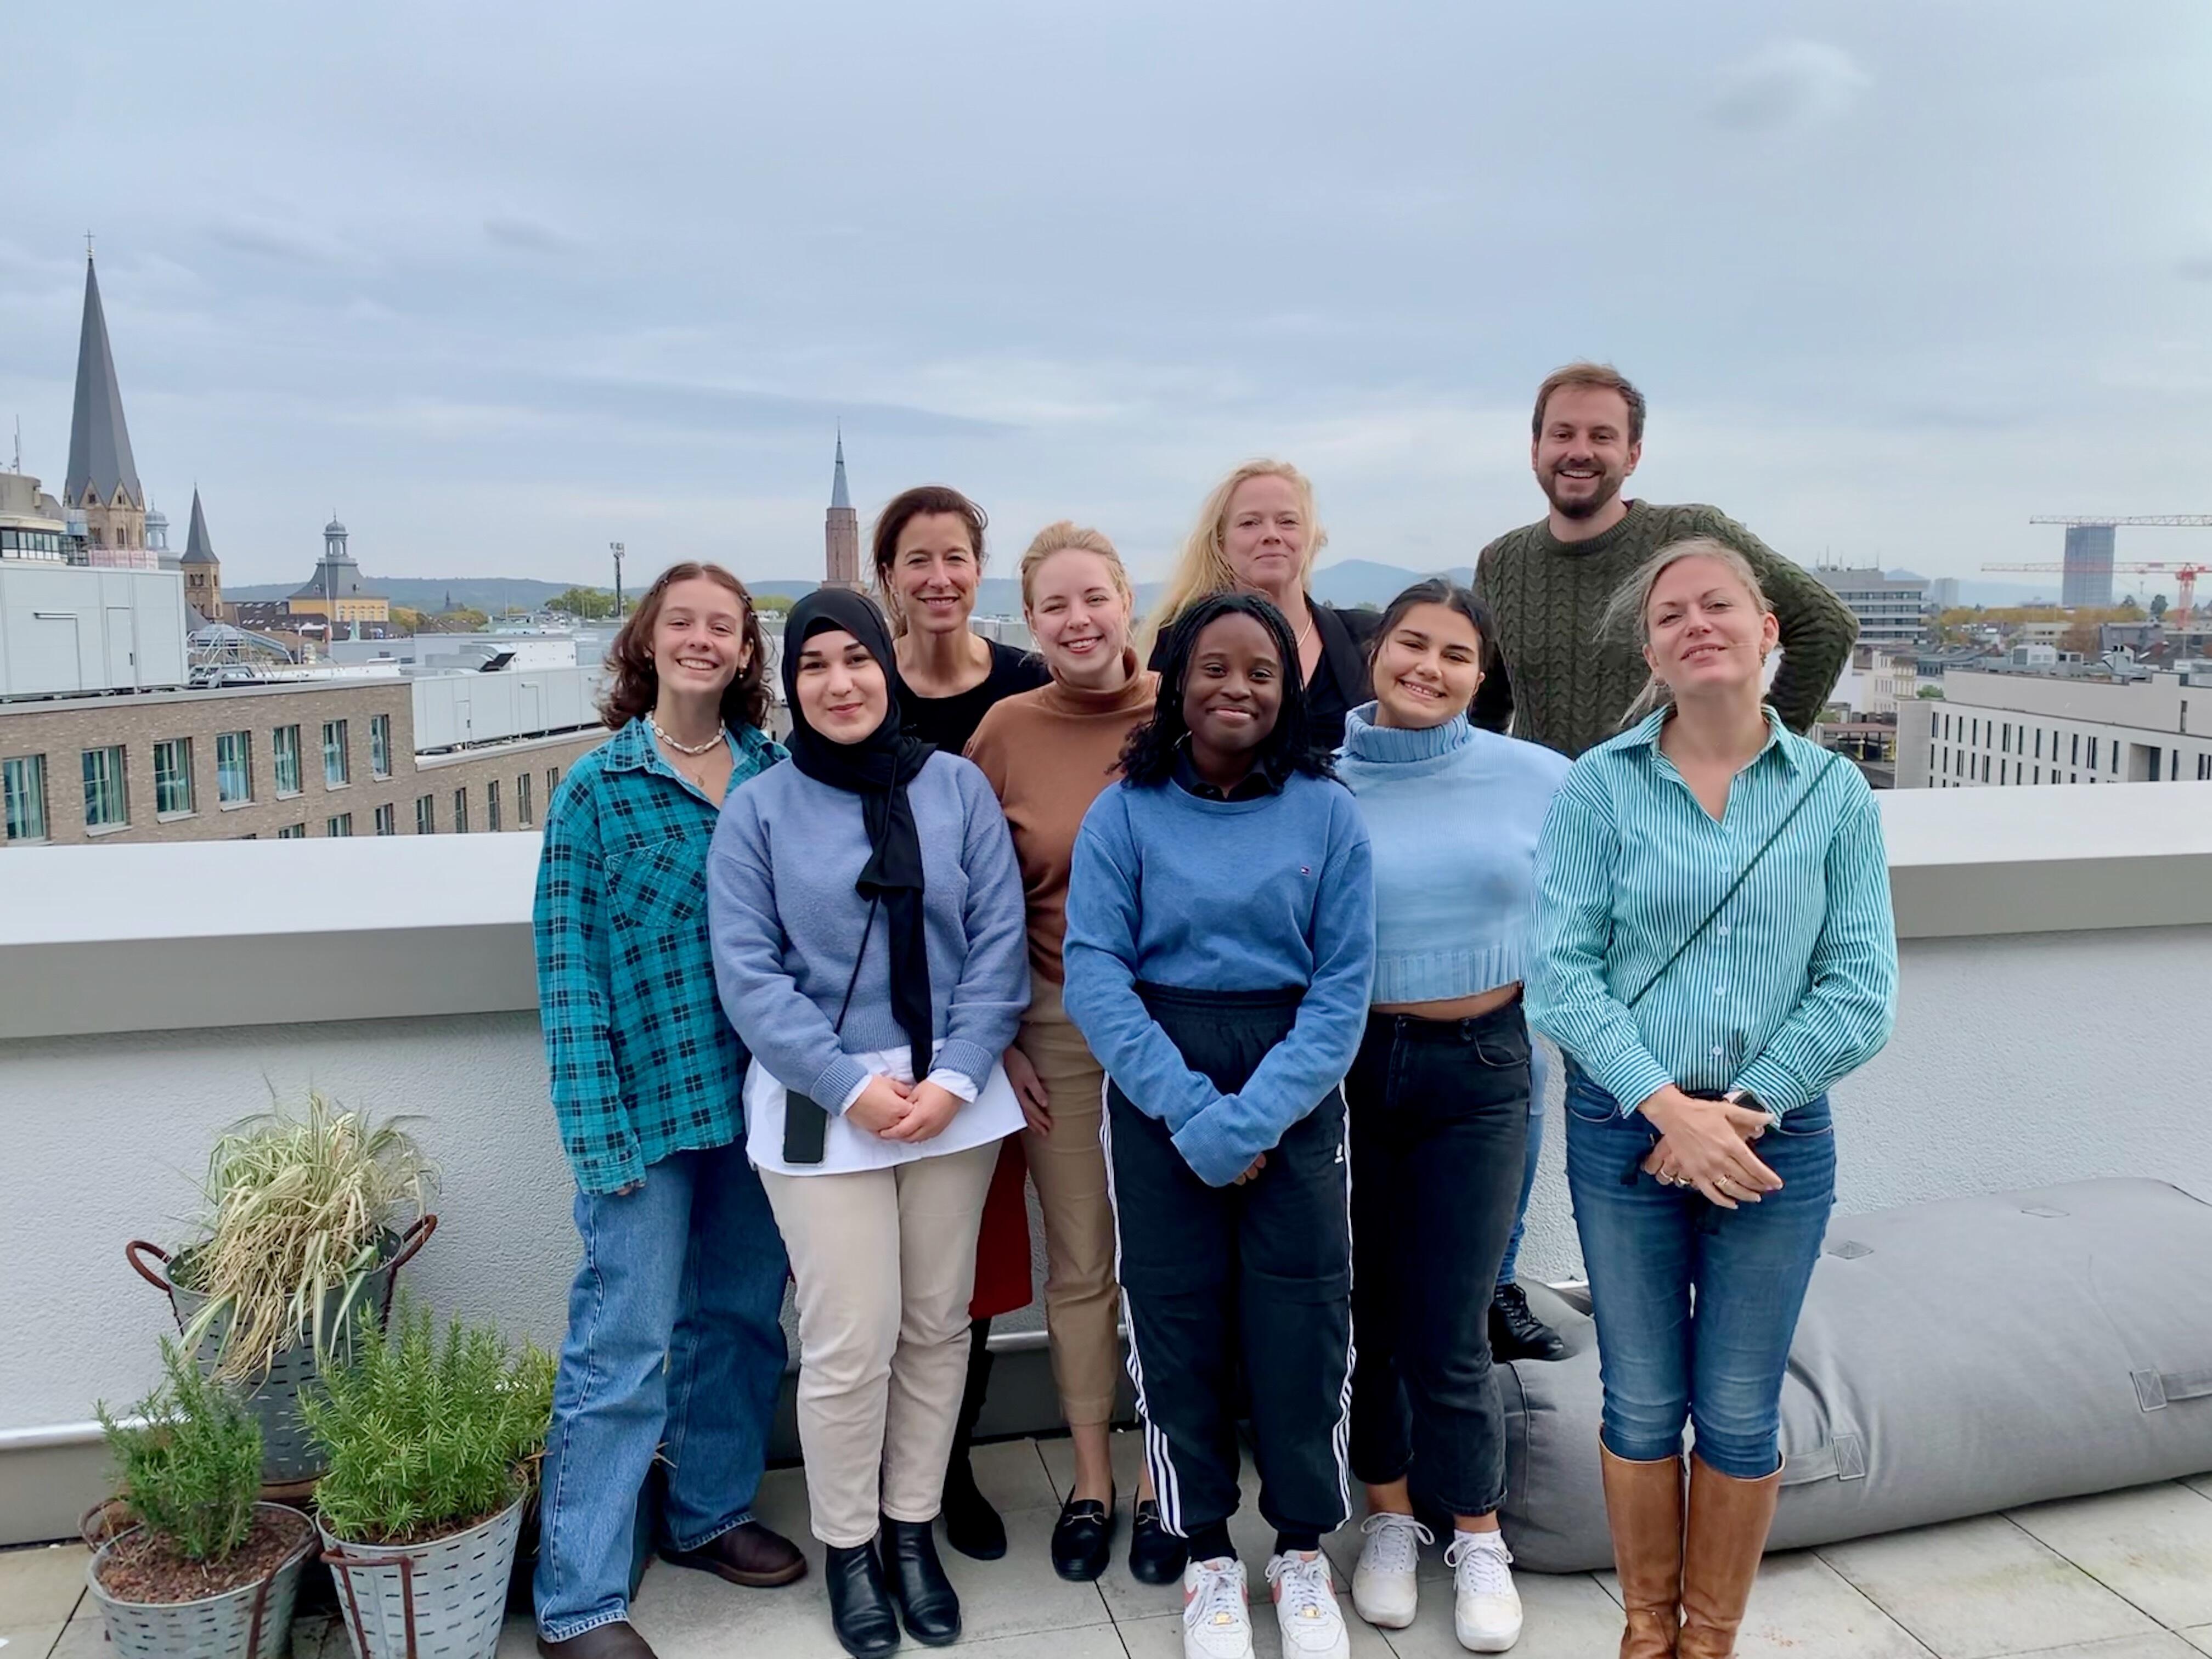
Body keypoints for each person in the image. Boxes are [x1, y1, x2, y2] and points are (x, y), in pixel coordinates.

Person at [1528, 538, 1897, 1659]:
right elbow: (1562, 973)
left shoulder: (1834, 795)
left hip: (1775, 1146)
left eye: (1719, 606)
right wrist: (1665, 1108)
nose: (1697, 624)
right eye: (1671, 613)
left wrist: (1738, 1107)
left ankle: (1712, 1637)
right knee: (1641, 1400)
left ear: (1768, 630)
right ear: (1651, 649)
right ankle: (1647, 1628)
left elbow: (1860, 989)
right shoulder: (1598, 785)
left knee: (1738, 1409)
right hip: (1621, 1136)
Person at [707, 589, 1030, 1659]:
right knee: (853, 1340)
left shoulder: (958, 789)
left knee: (939, 1325)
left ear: (889, 668)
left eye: (858, 659)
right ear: (789, 683)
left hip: (954, 1092)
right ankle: (848, 1546)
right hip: (818, 1100)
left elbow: (997, 944)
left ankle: (911, 1530)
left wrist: (959, 1076)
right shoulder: (758, 808)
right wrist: (851, 1085)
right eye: (815, 666)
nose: (840, 683)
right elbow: (750, 975)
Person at [1065, 591, 1375, 1659]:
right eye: (1215, 667)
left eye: (1262, 672)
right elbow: (1095, 976)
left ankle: (1298, 1552)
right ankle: (1203, 1552)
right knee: (1176, 1324)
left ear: (1288, 693)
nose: (1237, 688)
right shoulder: (1127, 812)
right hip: (1160, 1085)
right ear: (1176, 679)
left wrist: (1257, 1118)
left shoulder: (1328, 813)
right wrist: (1198, 1114)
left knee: (1302, 1326)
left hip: (1293, 1087)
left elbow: (1342, 990)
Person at [531, 563, 805, 1659]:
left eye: (723, 627)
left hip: (766, 1108)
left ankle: (708, 1516)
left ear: (747, 654)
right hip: (643, 1119)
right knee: (622, 1347)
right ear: (647, 642)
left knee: (741, 1323)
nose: (701, 640)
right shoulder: (600, 790)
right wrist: (596, 1137)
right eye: (680, 622)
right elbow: (569, 976)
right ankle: (578, 1600)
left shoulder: (776, 778)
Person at [1333, 580, 1568, 1653]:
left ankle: (1476, 1533)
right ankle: (1388, 1520)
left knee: (1455, 1322)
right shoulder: (1318, 784)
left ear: (1482, 676)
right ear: (1378, 651)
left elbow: (1616, 899)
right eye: (1412, 644)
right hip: (1349, 1066)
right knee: (1371, 1318)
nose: (1430, 667)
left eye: (1456, 655)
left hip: (1481, 1066)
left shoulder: (1539, 778)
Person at [964, 522, 1181, 1587]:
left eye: (1094, 597)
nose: (1078, 620)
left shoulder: (1186, 705)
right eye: (1054, 605)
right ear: (1031, 618)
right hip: (1054, 1026)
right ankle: (1094, 1479)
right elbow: (972, 899)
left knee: (1168, 1261)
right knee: (1084, 1265)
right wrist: (998, 1032)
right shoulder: (1004, 731)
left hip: (1182, 1024)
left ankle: (1164, 1480)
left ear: (1127, 600)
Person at [872, 482, 1050, 1561]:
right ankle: (887, 1477)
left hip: (988, 1035)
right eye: (916, 559)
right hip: (866, 1046)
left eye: (957, 557)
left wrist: (1006, 1037)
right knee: (873, 1277)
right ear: (885, 576)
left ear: (979, 569)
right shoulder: (853, 686)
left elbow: (1015, 886)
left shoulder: (1023, 689)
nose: (939, 577)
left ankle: (950, 1468)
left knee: (967, 1277)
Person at [1471, 361, 1858, 760]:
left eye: (1602, 436)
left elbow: (1826, 625)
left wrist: (1759, 752)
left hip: (1674, 810)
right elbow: (1485, 709)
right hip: (1548, 812)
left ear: (1632, 456)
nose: (1580, 451)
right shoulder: (1502, 562)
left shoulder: (1692, 534)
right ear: (1536, 451)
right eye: (1563, 434)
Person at [1144, 460, 1379, 751]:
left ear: (1311, 537)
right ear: (1221, 542)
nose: (1271, 534)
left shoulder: (1368, 638)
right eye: (1250, 523)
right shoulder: (1180, 642)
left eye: (1288, 522)